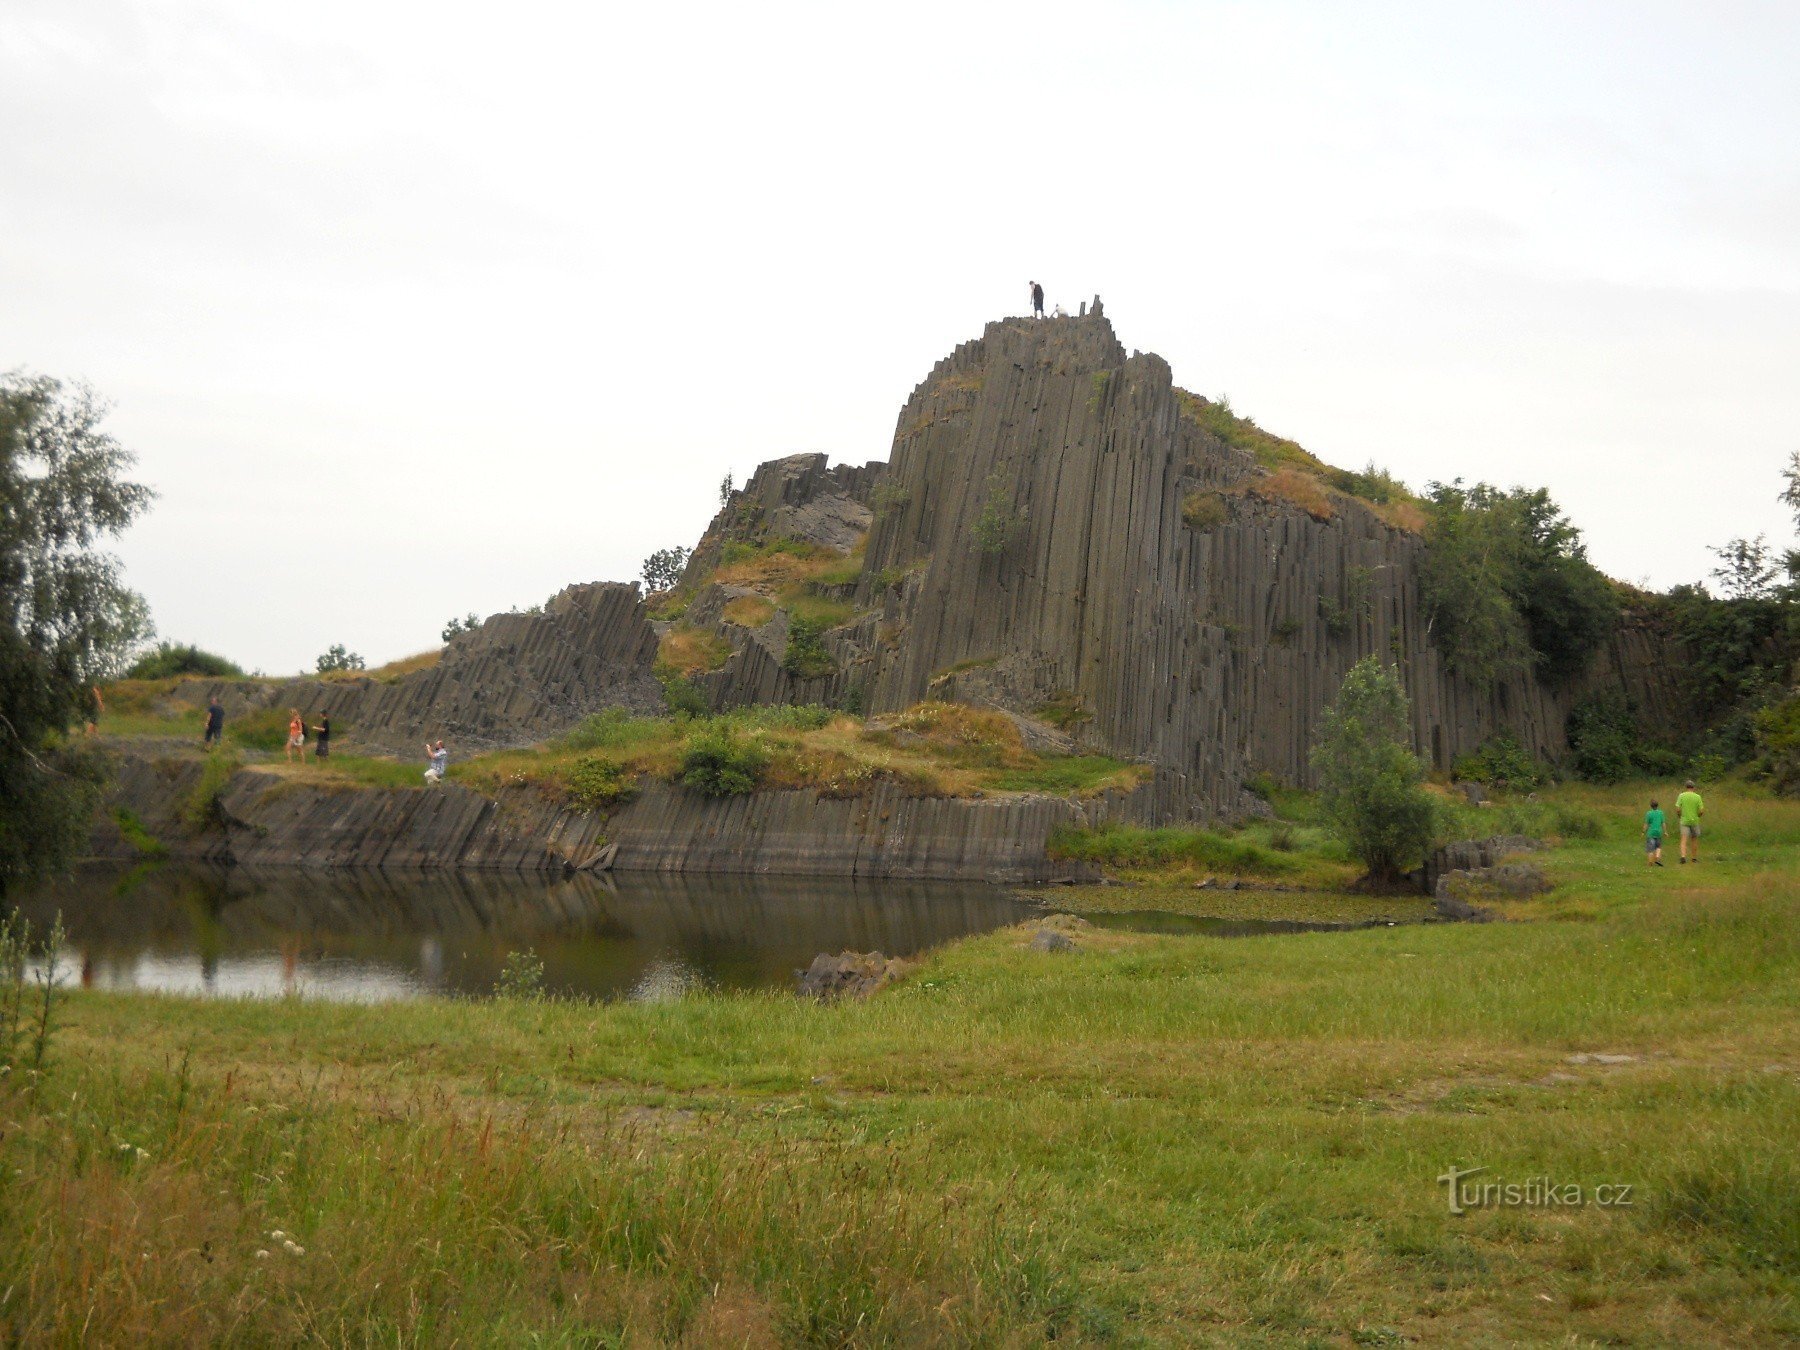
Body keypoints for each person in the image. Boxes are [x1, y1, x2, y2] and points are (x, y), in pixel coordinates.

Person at [1675, 780, 1705, 863]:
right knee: (1694, 839)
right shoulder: (1697, 797)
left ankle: (1683, 857)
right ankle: (1694, 858)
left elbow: (1677, 808)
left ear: (1686, 787)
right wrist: (1698, 816)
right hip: (1695, 821)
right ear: (1693, 788)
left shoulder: (1681, 796)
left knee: (1684, 839)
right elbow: (1702, 810)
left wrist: (1679, 815)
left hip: (1684, 820)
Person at [1643, 798, 1665, 867]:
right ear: (1657, 805)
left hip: (1651, 833)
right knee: (1658, 847)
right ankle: (1657, 858)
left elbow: (1646, 824)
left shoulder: (1649, 813)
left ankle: (1650, 862)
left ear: (1651, 806)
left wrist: (1643, 831)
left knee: (1650, 849)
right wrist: (1665, 831)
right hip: (1658, 833)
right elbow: (1663, 823)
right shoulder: (1661, 813)